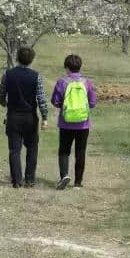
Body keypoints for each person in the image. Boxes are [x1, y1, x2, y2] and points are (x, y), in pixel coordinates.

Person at [0, 47, 48, 188]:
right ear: (32, 60)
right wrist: (44, 117)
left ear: (17, 58)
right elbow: (41, 99)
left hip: (13, 116)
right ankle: (30, 179)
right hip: (30, 117)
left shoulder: (8, 74)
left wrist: (5, 104)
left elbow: (1, 94)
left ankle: (16, 180)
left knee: (14, 150)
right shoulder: (36, 76)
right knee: (32, 148)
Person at [51, 54, 96, 190]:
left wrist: (65, 107)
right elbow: (93, 103)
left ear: (67, 67)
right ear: (80, 67)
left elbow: (55, 101)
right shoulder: (87, 82)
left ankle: (64, 176)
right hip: (83, 123)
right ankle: (78, 182)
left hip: (66, 123)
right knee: (80, 151)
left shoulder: (62, 82)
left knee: (64, 150)